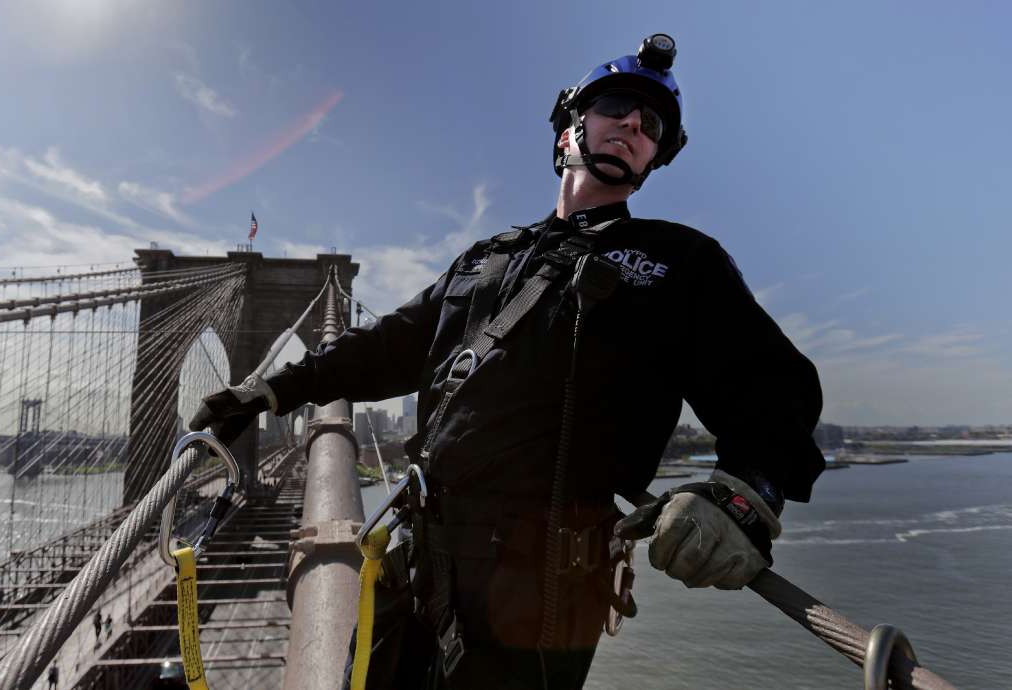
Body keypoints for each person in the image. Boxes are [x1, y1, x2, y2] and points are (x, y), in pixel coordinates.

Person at [191, 33, 824, 690]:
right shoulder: (486, 258)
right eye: (615, 107)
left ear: (654, 156)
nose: (635, 124)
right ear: (568, 133)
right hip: (419, 561)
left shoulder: (676, 265)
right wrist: (267, 391)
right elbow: (388, 346)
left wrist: (744, 495)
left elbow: (775, 392)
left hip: (538, 600)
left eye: (652, 124)